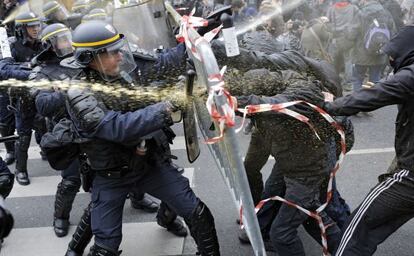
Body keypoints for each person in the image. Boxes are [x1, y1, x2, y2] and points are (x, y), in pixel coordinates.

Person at [52, 20, 219, 255]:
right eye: (112, 53)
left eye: (119, 49)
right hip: (111, 175)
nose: (120, 56)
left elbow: (164, 64)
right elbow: (117, 128)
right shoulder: (79, 93)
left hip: (148, 164)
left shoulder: (124, 74)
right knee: (105, 246)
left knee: (197, 212)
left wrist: (196, 38)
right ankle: (74, 249)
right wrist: (166, 107)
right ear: (91, 58)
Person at [321, 25, 414, 256]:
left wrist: (330, 105)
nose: (390, 58)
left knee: (357, 229)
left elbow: (376, 96)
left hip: (411, 177)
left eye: (393, 52)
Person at [350, 0, 395, 92]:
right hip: (379, 52)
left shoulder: (361, 13)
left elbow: (352, 34)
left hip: (361, 53)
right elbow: (393, 32)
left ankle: (358, 101)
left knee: (358, 79)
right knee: (375, 79)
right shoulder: (386, 13)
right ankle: (374, 102)